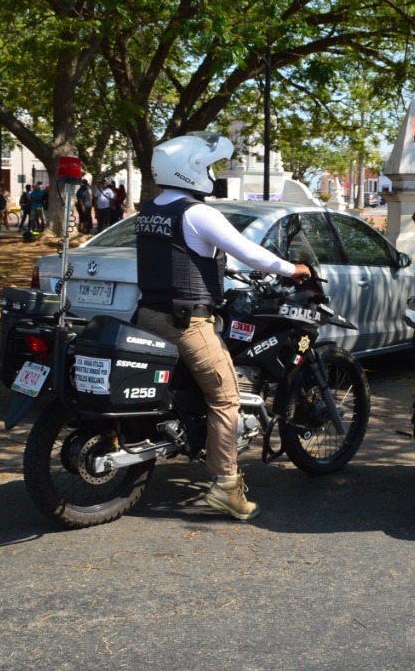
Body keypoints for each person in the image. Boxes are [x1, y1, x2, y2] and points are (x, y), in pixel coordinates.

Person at [133, 133, 312, 521]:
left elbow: (178, 257)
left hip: (147, 315)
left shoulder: (149, 210)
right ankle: (225, 486)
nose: (212, 174)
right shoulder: (197, 212)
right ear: (193, 170)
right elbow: (249, 252)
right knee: (226, 397)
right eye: (209, 166)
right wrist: (292, 268)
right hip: (186, 323)